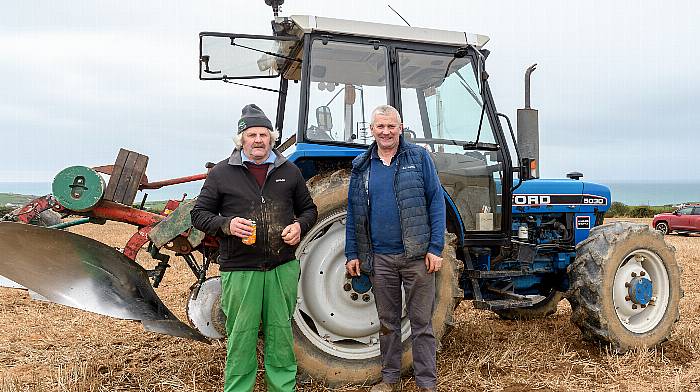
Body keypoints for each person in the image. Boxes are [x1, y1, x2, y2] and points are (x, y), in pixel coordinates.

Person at [191, 104, 318, 392]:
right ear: (241, 140)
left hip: (282, 267)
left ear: (272, 138)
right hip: (240, 270)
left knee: (281, 334)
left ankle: (282, 387)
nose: (258, 140)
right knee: (241, 335)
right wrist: (227, 225)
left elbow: (309, 210)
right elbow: (199, 215)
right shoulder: (222, 173)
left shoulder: (290, 171)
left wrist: (300, 226)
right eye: (251, 134)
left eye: (263, 134)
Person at [345, 104, 446, 392]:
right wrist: (353, 253)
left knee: (421, 323)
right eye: (380, 126)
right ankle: (390, 379)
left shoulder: (418, 158)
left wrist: (435, 248)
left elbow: (435, 202)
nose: (386, 132)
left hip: (416, 257)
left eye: (391, 126)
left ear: (400, 128)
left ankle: (426, 382)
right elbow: (354, 215)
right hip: (381, 259)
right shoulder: (361, 167)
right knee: (388, 323)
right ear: (372, 130)